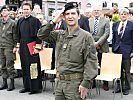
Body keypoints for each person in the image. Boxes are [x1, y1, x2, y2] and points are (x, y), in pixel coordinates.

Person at [38, 2, 98, 100]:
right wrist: (55, 20)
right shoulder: (59, 35)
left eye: (73, 13)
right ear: (64, 17)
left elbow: (91, 61)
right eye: (67, 14)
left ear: (78, 16)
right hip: (59, 84)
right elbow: (41, 35)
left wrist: (86, 83)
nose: (70, 16)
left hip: (75, 85)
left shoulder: (86, 37)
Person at [17, 1, 42, 94]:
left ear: (31, 10)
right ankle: (26, 86)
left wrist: (37, 47)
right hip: (23, 47)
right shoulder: (20, 21)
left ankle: (34, 88)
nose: (25, 11)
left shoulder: (35, 21)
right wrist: (18, 46)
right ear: (22, 10)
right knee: (24, 67)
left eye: (27, 9)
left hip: (32, 46)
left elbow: (39, 35)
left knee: (33, 67)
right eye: (24, 9)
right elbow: (18, 35)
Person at [112, 8, 133, 95]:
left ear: (128, 15)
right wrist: (113, 48)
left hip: (127, 51)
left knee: (127, 71)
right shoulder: (115, 24)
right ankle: (119, 87)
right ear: (119, 15)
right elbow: (114, 38)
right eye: (122, 14)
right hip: (117, 50)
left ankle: (127, 88)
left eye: (125, 14)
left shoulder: (132, 25)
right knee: (118, 70)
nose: (123, 15)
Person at [89, 5, 110, 91]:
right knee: (92, 65)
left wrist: (98, 43)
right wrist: (92, 43)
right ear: (93, 12)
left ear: (101, 11)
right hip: (91, 45)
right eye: (95, 10)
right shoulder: (89, 21)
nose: (96, 12)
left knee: (104, 65)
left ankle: (105, 84)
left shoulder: (106, 21)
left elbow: (106, 33)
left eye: (98, 10)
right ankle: (93, 82)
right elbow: (87, 32)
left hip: (102, 46)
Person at [0, 5, 17, 91]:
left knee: (9, 65)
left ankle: (12, 82)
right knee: (2, 65)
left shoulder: (12, 23)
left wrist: (15, 46)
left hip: (9, 46)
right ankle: (4, 82)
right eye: (2, 11)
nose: (4, 12)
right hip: (1, 46)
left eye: (5, 10)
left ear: (8, 12)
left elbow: (15, 36)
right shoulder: (0, 22)